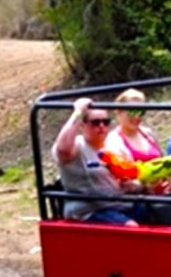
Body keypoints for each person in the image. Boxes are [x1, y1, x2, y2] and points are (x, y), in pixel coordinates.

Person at [52, 97, 145, 226]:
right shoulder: (77, 146)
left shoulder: (115, 144)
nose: (101, 126)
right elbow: (63, 150)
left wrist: (134, 184)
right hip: (91, 210)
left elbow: (134, 173)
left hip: (123, 204)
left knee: (161, 211)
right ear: (82, 125)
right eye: (95, 122)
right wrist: (78, 112)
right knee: (130, 227)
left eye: (105, 122)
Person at [104, 88, 171, 193]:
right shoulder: (114, 141)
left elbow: (164, 163)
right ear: (119, 112)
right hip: (139, 198)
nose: (137, 116)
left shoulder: (147, 133)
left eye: (141, 111)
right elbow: (123, 180)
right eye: (132, 111)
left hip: (163, 192)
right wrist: (147, 185)